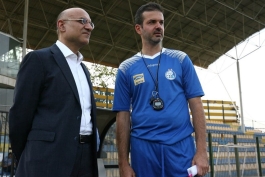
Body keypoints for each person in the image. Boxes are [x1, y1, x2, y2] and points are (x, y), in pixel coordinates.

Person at [113, 2, 209, 177]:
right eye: (151, 22)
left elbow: (196, 105)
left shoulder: (180, 59)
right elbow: (123, 116)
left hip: (180, 147)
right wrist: (123, 163)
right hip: (143, 149)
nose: (158, 26)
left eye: (161, 22)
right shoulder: (126, 68)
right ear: (138, 28)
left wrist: (202, 151)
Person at [9, 7, 99, 177]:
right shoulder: (38, 60)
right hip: (47, 159)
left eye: (90, 23)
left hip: (85, 158)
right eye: (82, 21)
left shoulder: (84, 69)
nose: (89, 27)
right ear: (61, 25)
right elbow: (20, 115)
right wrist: (30, 155)